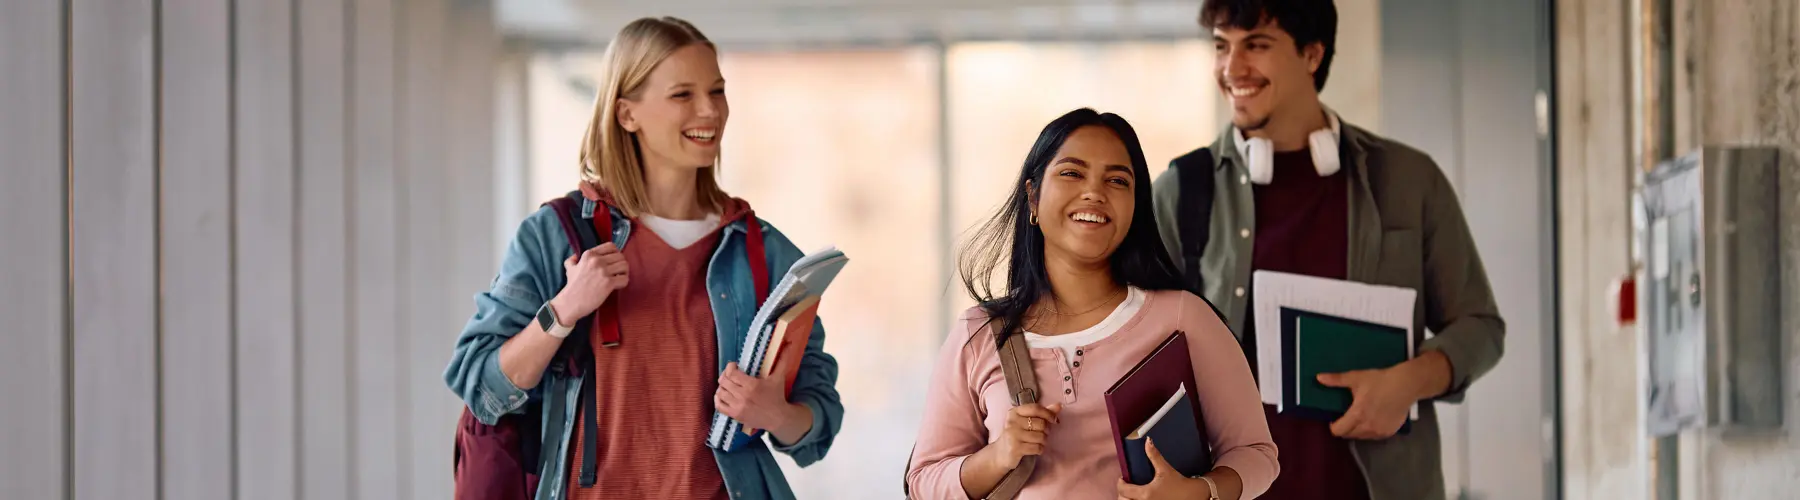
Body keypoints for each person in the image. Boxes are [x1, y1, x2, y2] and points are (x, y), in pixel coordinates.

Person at [444, 17, 843, 500]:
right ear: (627, 113)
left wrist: (776, 415)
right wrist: (563, 311)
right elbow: (481, 386)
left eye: (716, 91)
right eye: (683, 95)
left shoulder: (764, 252)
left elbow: (818, 422)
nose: (709, 111)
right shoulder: (554, 236)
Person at [1150, 1, 1507, 499]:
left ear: (1312, 55)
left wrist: (1410, 382)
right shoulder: (1179, 192)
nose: (1232, 68)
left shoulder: (1409, 181)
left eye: (1256, 44)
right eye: (1221, 46)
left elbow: (1480, 326)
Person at [906, 108, 1279, 500]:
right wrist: (998, 456)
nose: (1094, 193)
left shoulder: (1184, 318)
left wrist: (1198, 493)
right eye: (1072, 173)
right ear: (1032, 196)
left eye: (1118, 180)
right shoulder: (977, 334)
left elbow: (1256, 455)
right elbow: (923, 483)